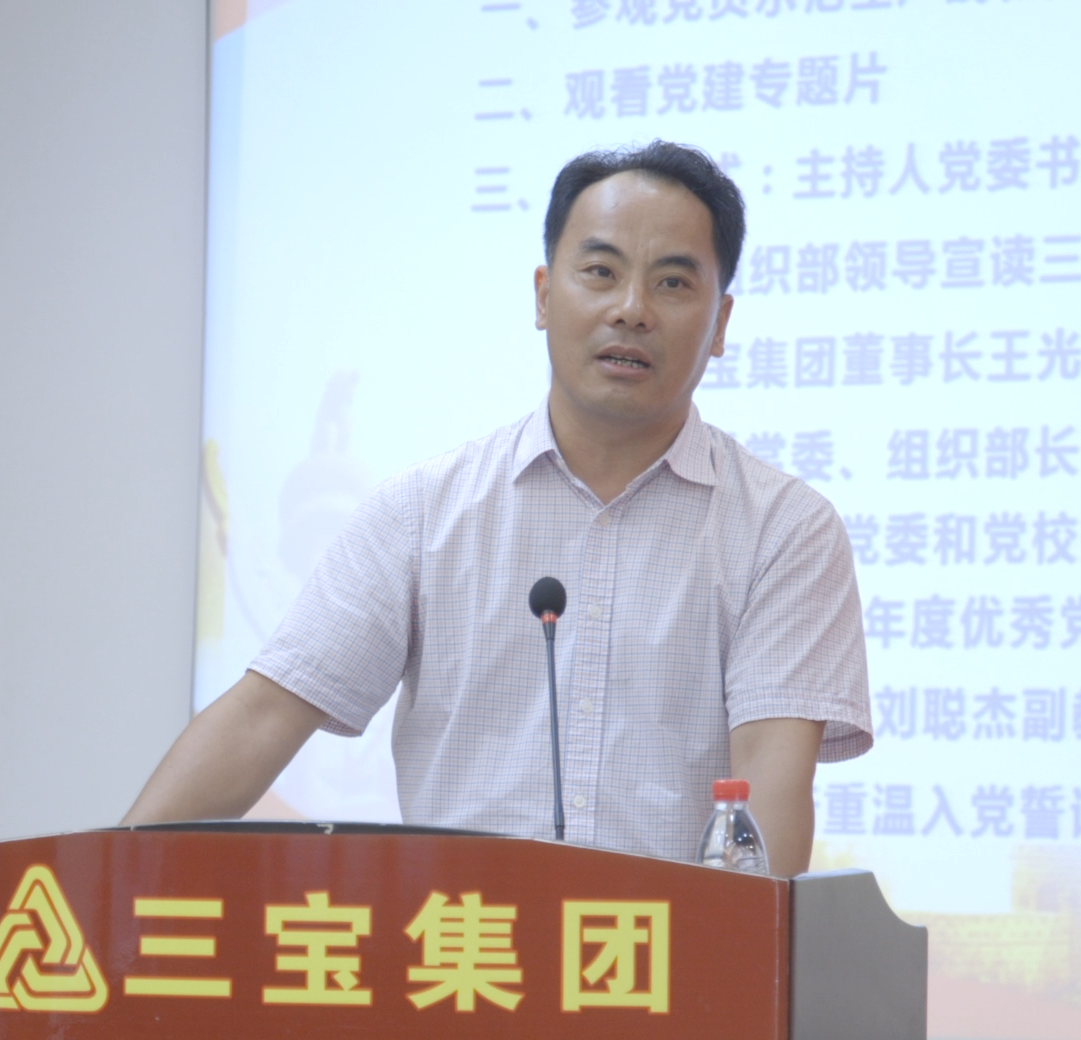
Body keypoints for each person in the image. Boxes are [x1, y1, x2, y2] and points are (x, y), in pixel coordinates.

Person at [123, 141, 870, 877]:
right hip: (464, 945)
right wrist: (100, 886)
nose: (631, 310)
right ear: (544, 296)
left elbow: (768, 795)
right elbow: (265, 715)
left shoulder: (784, 531)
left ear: (721, 324)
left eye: (672, 283)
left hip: (665, 952)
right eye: (601, 272)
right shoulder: (424, 514)